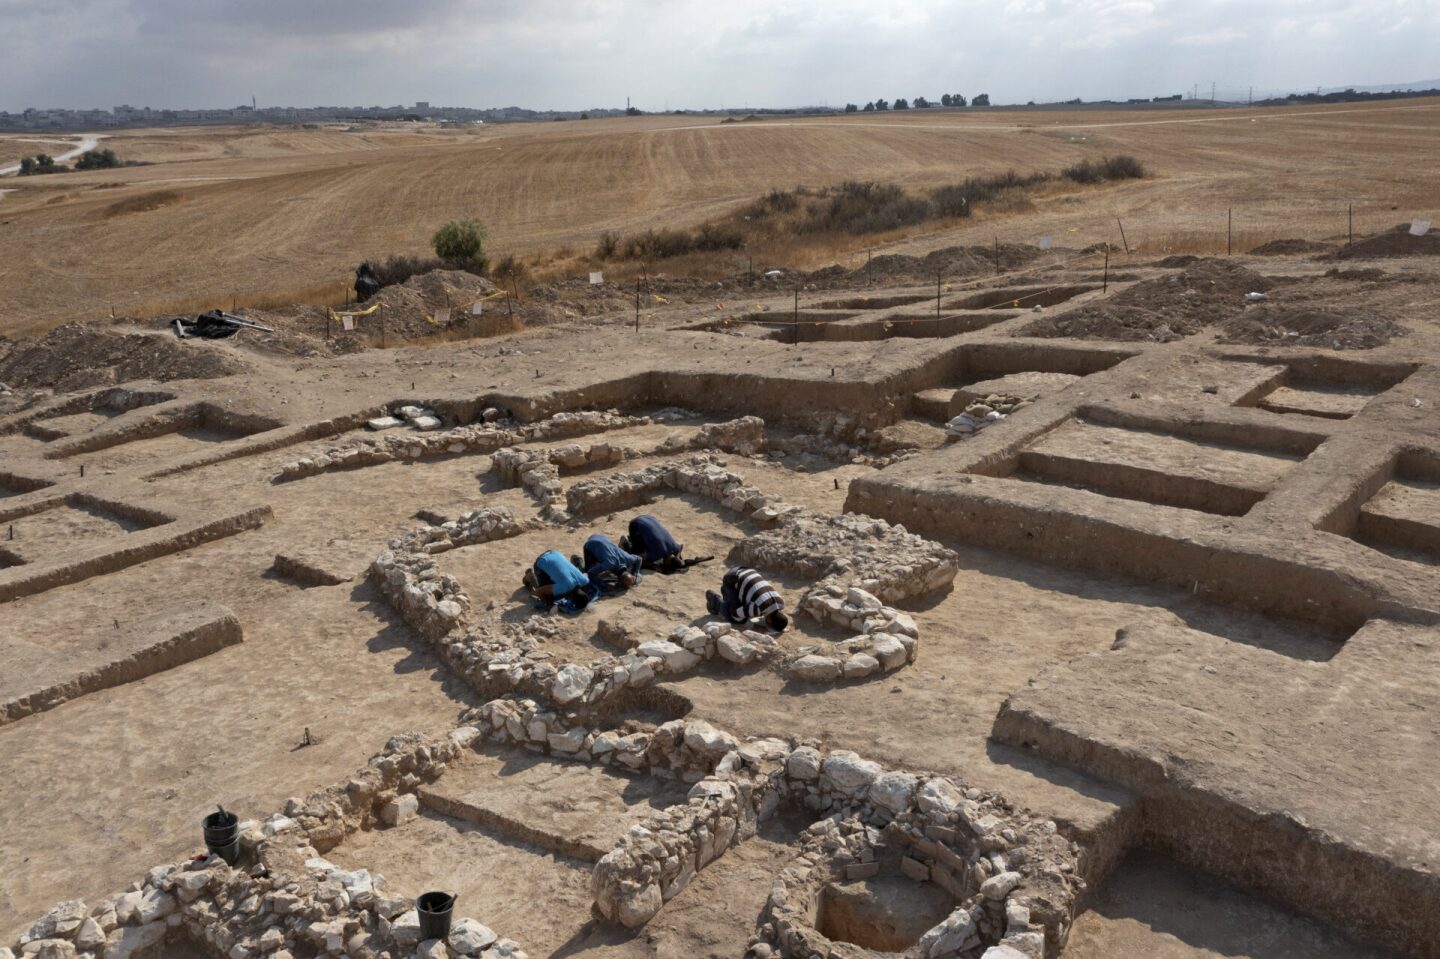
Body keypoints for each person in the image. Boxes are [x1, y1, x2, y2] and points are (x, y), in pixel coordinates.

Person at [706, 566, 788, 632]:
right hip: (731, 580)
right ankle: (714, 600)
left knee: (745, 610)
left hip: (745, 570)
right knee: (736, 619)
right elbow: (735, 614)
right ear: (769, 621)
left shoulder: (781, 602)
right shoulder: (757, 608)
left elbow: (763, 604)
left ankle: (728, 595)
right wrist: (754, 626)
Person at [523, 549, 598, 613]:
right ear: (571, 598)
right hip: (541, 561)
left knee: (558, 579)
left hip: (555, 553)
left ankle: (574, 560)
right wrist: (549, 604)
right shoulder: (562, 588)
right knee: (548, 596)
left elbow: (585, 574)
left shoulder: (584, 580)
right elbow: (538, 592)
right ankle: (531, 577)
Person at [574, 533, 642, 592]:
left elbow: (639, 559)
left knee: (602, 561)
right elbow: (590, 573)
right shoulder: (609, 564)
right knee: (587, 570)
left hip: (603, 538)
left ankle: (622, 542)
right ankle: (577, 560)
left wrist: (635, 573)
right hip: (591, 543)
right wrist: (603, 585)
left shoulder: (628, 559)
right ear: (618, 579)